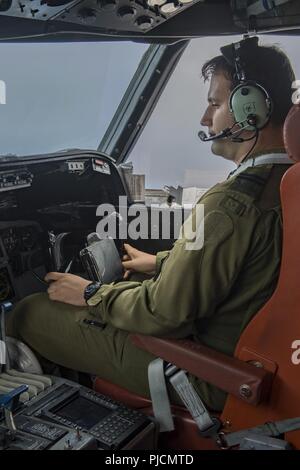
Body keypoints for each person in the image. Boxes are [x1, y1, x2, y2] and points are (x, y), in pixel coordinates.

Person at [6, 38, 296, 411]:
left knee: (30, 311)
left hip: (214, 374)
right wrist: (160, 264)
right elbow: (250, 268)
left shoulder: (231, 203)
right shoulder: (286, 185)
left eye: (215, 103)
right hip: (258, 359)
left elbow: (164, 314)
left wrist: (91, 292)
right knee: (135, 283)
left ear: (251, 107)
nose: (205, 119)